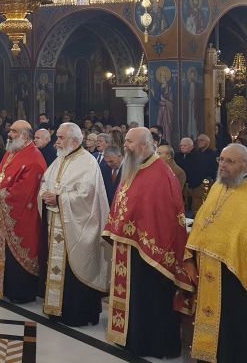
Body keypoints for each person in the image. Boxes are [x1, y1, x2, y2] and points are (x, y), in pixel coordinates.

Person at [185, 143, 247, 363]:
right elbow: (202, 223)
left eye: (230, 161)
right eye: (221, 159)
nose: (223, 165)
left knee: (238, 333)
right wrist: (190, 255)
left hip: (242, 281)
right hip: (212, 274)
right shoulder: (220, 187)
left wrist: (229, 249)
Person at [103, 128, 194, 358]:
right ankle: (131, 338)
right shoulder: (134, 167)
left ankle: (152, 344)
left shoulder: (160, 172)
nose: (125, 146)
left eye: (129, 142)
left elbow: (163, 215)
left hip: (152, 254)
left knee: (151, 298)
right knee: (135, 298)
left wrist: (136, 232)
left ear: (143, 145)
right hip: (131, 247)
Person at [39, 122, 111, 326]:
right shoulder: (59, 160)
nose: (57, 142)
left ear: (75, 140)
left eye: (61, 138)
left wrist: (59, 198)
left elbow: (87, 195)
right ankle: (56, 310)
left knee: (75, 270)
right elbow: (45, 181)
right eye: (58, 137)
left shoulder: (87, 162)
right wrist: (44, 194)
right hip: (57, 223)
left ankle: (76, 314)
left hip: (78, 227)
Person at [0, 121, 46, 304]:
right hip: (3, 212)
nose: (9, 134)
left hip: (23, 217)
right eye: (11, 131)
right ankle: (5, 287)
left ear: (25, 135)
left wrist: (0, 194)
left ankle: (21, 292)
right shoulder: (11, 152)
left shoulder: (35, 158)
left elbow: (24, 190)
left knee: (18, 255)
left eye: (14, 132)